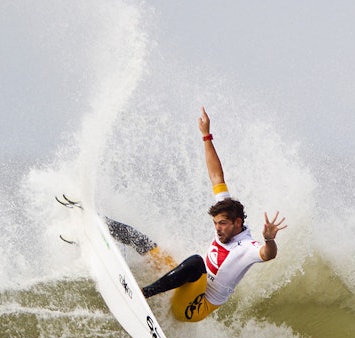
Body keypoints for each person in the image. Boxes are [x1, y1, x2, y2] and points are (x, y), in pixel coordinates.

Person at [107, 108, 286, 322]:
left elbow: (268, 254)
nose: (217, 228)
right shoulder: (225, 210)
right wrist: (206, 136)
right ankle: (100, 223)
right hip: (188, 283)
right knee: (143, 242)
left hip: (195, 306)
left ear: (238, 223)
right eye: (215, 223)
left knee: (196, 262)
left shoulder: (247, 247)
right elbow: (216, 176)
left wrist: (269, 239)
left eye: (222, 224)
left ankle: (141, 295)